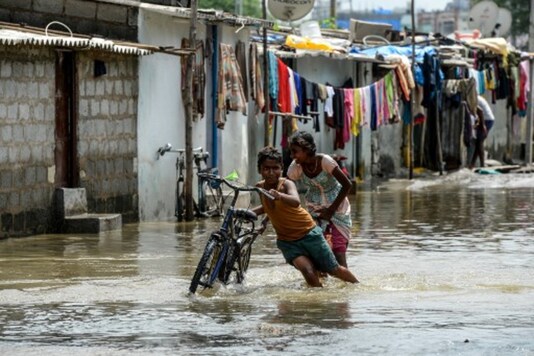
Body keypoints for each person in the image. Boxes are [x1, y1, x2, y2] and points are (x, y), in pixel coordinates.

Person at [252, 146, 358, 287]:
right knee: (308, 271)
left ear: (281, 168)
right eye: (266, 169)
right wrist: (260, 220)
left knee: (333, 269)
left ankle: (357, 287)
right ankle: (317, 304)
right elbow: (269, 207)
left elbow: (295, 201)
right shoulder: (260, 187)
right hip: (287, 241)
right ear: (259, 169)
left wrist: (279, 196)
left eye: (275, 168)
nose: (271, 173)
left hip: (308, 234)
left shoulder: (286, 184)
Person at [286, 131, 353, 268]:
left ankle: (348, 287)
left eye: (295, 152)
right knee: (316, 253)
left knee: (339, 252)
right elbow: (285, 187)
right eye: (291, 152)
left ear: (307, 150)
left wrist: (331, 211)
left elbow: (347, 185)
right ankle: (320, 287)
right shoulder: (296, 167)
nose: (292, 156)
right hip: (314, 209)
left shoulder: (325, 161)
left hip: (338, 209)